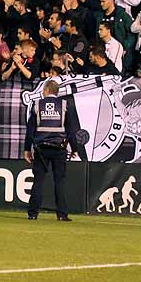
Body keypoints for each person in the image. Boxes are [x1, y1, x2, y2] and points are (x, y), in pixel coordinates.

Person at [23, 79, 88, 221]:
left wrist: (27, 149)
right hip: (59, 149)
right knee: (59, 181)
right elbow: (71, 130)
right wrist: (75, 148)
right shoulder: (64, 105)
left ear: (46, 90)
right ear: (56, 92)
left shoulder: (37, 105)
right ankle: (62, 214)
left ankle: (33, 213)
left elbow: (30, 130)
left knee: (38, 180)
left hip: (41, 149)